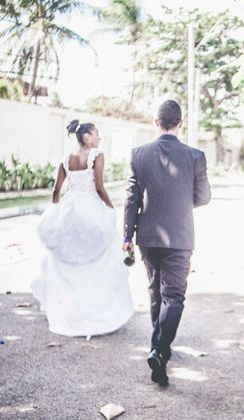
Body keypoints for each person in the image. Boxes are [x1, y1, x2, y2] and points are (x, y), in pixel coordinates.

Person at [123, 100, 211, 385]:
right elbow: (204, 197)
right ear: (180, 123)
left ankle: (158, 345)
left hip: (147, 235)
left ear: (156, 121)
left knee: (155, 291)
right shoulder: (195, 156)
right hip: (180, 235)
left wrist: (126, 236)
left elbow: (131, 199)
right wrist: (181, 202)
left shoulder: (139, 154)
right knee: (174, 296)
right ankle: (160, 349)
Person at [32, 120, 134, 339]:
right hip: (90, 210)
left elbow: (56, 191)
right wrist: (110, 207)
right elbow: (98, 187)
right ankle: (97, 310)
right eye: (97, 134)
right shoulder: (97, 155)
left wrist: (56, 213)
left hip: (70, 210)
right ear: (87, 137)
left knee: (69, 265)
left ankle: (69, 311)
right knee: (96, 262)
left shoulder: (66, 158)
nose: (99, 138)